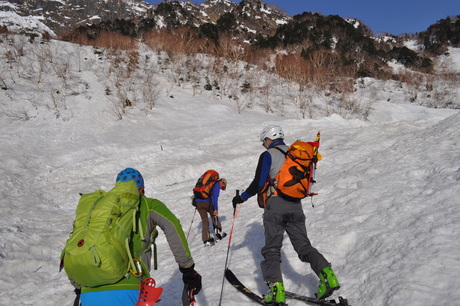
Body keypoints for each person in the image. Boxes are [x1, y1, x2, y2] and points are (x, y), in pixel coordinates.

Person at [232, 126, 340, 305]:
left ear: (268, 139)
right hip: (296, 206)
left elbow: (258, 183)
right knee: (304, 247)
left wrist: (241, 198)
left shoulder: (268, 155)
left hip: (276, 205)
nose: (264, 145)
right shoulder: (295, 153)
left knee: (272, 249)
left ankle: (276, 292)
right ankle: (328, 276)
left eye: (264, 142)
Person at [79, 168, 202, 305]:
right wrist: (187, 269)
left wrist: (78, 284)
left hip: (88, 291)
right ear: (142, 189)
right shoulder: (149, 204)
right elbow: (173, 226)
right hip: (129, 289)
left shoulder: (101, 209)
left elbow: (79, 240)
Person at [194, 177, 228, 246]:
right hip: (208, 202)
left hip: (199, 203)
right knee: (214, 216)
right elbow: (215, 197)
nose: (221, 188)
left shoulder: (206, 184)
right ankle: (219, 234)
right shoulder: (216, 184)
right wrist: (216, 209)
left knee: (205, 220)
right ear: (222, 182)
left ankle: (206, 240)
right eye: (223, 187)